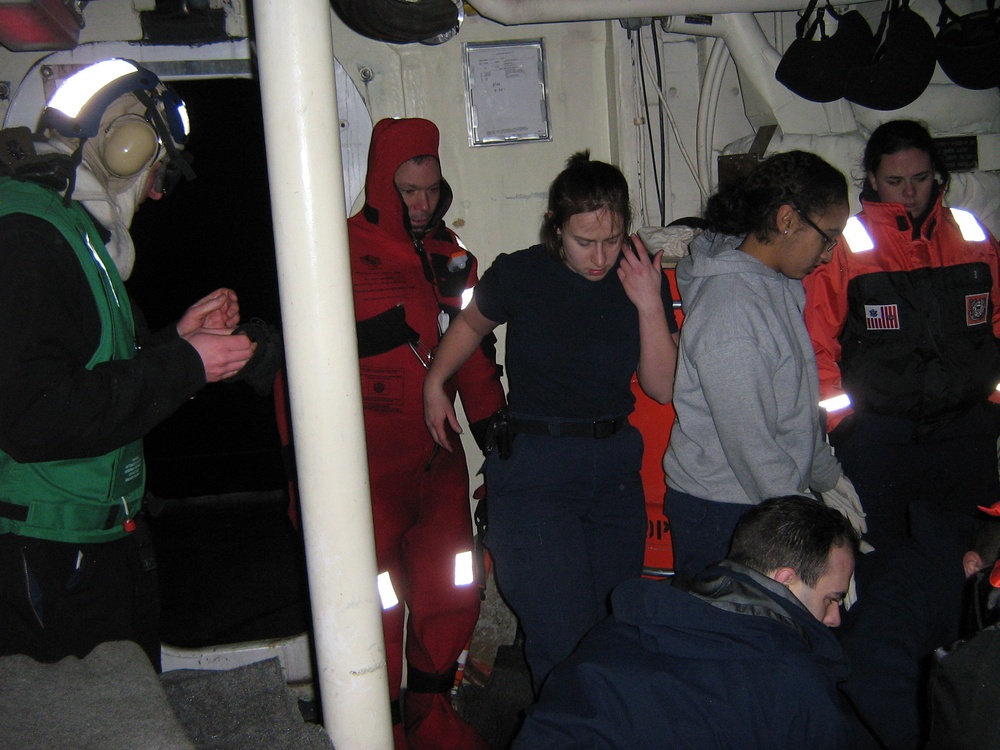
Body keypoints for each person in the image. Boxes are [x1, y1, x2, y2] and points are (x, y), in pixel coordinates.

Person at [0, 59, 256, 671]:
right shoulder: (27, 240)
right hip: (47, 552)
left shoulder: (65, 229)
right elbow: (37, 414)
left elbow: (95, 369)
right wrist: (185, 367)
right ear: (125, 148)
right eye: (157, 169)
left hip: (87, 540)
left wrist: (177, 342)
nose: (157, 190)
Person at [423, 151, 679, 691]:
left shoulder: (638, 274)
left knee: (615, 631)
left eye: (611, 240)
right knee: (561, 640)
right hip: (537, 471)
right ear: (556, 228)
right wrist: (434, 383)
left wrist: (649, 305)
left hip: (613, 468)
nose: (600, 256)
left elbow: (661, 386)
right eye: (584, 241)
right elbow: (469, 325)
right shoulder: (521, 272)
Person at [803, 119, 1000, 646]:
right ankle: (888, 671)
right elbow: (818, 344)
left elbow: (998, 326)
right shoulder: (846, 243)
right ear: (871, 178)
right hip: (881, 440)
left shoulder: (973, 234)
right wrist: (844, 424)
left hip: (965, 435)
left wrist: (993, 407)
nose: (910, 191)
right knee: (883, 566)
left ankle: (962, 669)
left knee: (968, 561)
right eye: (895, 181)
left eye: (920, 177)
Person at [346, 117, 505, 750]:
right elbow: (296, 369)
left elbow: (472, 351)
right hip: (367, 471)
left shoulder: (452, 257)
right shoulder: (340, 252)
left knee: (454, 586)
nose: (420, 203)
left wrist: (497, 444)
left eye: (430, 189)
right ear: (383, 185)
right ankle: (377, 729)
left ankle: (432, 718)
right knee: (374, 604)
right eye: (408, 189)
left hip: (437, 463)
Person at [512, 496, 878, 750]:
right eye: (831, 599)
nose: (834, 619)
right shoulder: (799, 689)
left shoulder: (626, 625)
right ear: (786, 580)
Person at [662, 149, 865, 579]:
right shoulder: (732, 310)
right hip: (725, 510)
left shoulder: (775, 283)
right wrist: (809, 531)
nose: (829, 254)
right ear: (787, 220)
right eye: (827, 237)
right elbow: (750, 444)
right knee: (733, 641)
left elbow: (795, 400)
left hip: (764, 500)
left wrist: (824, 474)